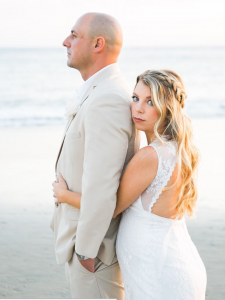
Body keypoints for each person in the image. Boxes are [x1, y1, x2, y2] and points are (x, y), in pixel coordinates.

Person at [55, 69, 207, 299]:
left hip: (159, 274)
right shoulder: (179, 150)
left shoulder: (149, 156)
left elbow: (109, 207)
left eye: (150, 102)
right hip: (175, 264)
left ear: (167, 108)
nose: (138, 108)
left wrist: (64, 195)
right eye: (135, 98)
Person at [50, 12, 140, 299]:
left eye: (74, 35)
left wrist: (86, 251)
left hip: (93, 251)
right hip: (81, 242)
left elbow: (103, 186)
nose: (66, 41)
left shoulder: (109, 99)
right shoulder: (100, 91)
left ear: (98, 44)